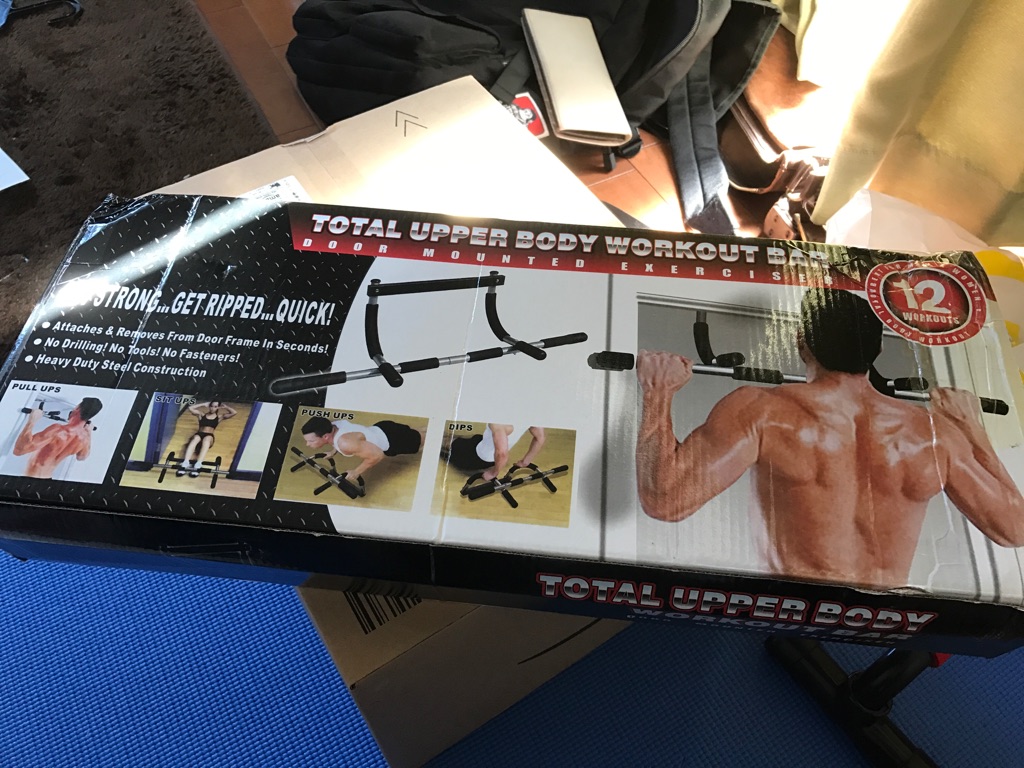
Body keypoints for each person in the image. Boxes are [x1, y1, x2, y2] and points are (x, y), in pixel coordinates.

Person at [635, 288, 1024, 589]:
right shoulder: (932, 433)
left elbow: (665, 501)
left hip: (794, 610)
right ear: (877, 348)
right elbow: (1015, 528)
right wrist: (972, 430)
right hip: (883, 616)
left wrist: (658, 392)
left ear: (800, 341)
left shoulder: (761, 411)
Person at [300, 417, 425, 483]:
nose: (307, 444)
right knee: (416, 433)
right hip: (382, 428)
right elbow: (338, 438)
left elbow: (377, 455)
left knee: (427, 441)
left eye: (311, 441)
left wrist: (356, 472)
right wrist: (332, 452)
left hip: (393, 440)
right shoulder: (332, 425)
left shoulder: (345, 443)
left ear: (326, 436)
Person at [12, 397, 103, 479]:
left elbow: (19, 451)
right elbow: (81, 457)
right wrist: (89, 432)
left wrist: (32, 420)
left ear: (77, 409)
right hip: (48, 478)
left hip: (31, 478)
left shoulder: (58, 430)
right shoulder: (84, 438)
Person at [444, 424, 546, 482]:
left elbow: (502, 454)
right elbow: (540, 438)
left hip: (478, 457)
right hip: (483, 444)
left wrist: (493, 473)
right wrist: (525, 462)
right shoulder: (530, 411)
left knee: (446, 441)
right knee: (471, 438)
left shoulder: (499, 422)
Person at [177, 400, 237, 478]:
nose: (212, 408)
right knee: (195, 438)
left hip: (209, 436)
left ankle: (198, 464)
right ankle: (185, 462)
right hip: (199, 434)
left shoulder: (219, 417)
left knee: (206, 440)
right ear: (209, 406)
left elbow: (234, 412)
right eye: (211, 406)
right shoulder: (201, 415)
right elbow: (190, 408)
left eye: (215, 407)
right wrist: (203, 404)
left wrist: (226, 407)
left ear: (218, 407)